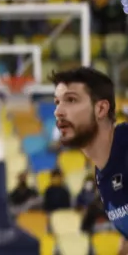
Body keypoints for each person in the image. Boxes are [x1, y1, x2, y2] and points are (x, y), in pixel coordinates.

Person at [52, 66, 128, 251]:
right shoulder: (102, 173)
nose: (58, 112)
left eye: (71, 100)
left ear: (101, 108)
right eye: (57, 102)